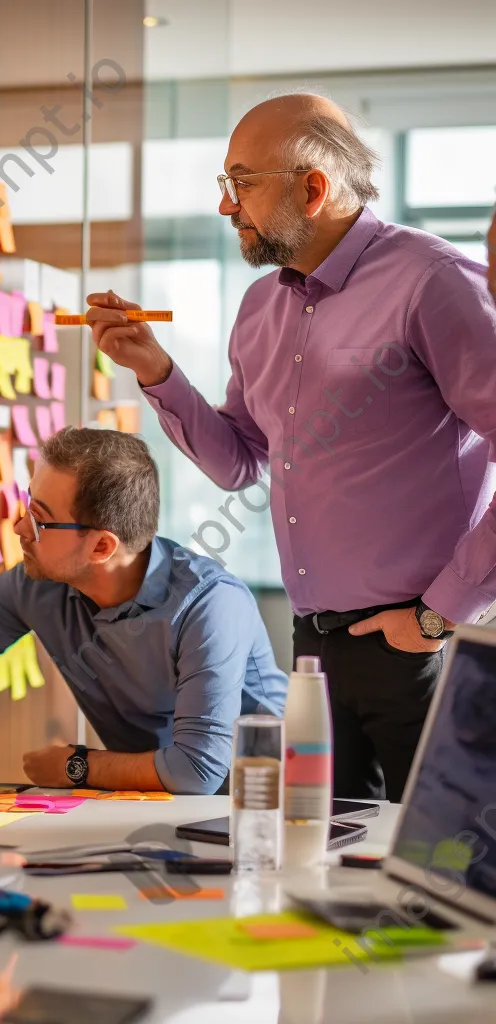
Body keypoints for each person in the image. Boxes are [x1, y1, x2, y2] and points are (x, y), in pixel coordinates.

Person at [87, 93, 496, 802]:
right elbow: (239, 460)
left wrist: (440, 612)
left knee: (442, 873)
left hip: (422, 646)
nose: (226, 206)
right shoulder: (258, 308)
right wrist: (156, 370)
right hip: (313, 651)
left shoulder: (432, 282)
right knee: (327, 863)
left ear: (312, 189)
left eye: (241, 182)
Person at [0, 427, 288, 828]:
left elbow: (197, 771)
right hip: (150, 810)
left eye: (38, 520)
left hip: (266, 813)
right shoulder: (37, 585)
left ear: (102, 546)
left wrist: (75, 766)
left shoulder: (211, 604)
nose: (19, 529)